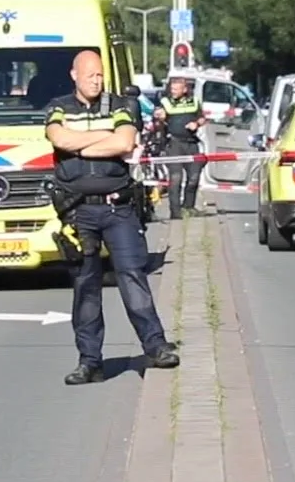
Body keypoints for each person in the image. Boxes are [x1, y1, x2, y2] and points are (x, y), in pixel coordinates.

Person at [45, 50, 179, 386]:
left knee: (133, 276)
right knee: (86, 287)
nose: (96, 80)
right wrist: (101, 142)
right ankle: (89, 362)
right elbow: (58, 137)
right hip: (78, 211)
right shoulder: (59, 106)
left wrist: (81, 146)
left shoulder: (121, 105)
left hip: (118, 207)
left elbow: (125, 141)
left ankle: (156, 346)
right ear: (74, 74)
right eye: (90, 74)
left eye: (100, 75)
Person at [154, 76, 205, 219]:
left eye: (176, 89)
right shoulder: (165, 102)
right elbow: (158, 117)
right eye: (172, 89)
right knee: (176, 178)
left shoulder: (194, 101)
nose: (173, 91)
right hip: (174, 143)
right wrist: (160, 118)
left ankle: (188, 207)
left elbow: (201, 117)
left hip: (191, 143)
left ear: (185, 89)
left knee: (194, 177)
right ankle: (175, 212)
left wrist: (196, 124)